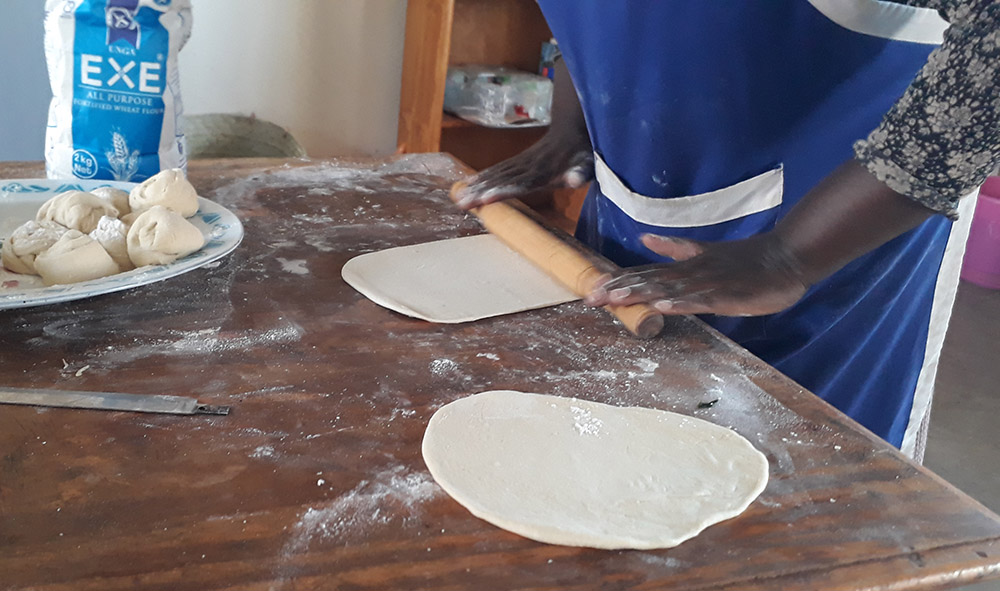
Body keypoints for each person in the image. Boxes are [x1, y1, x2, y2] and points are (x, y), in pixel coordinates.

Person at [453, 1, 1000, 461]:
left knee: (794, 492)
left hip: (839, 240)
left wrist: (793, 256)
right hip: (631, 208)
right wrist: (573, 123)